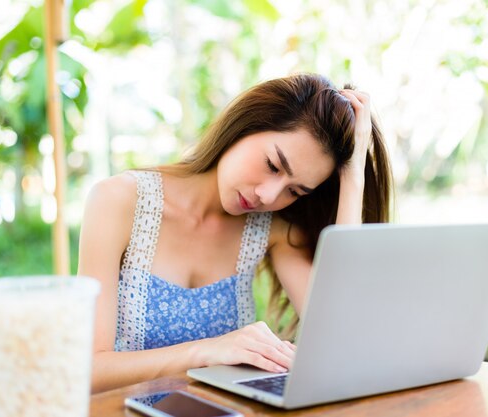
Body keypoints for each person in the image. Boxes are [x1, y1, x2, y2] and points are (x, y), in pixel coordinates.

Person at [77, 73, 392, 393]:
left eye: (295, 190)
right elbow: (88, 370)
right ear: (246, 124)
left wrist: (353, 177)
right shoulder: (118, 201)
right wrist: (203, 352)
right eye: (273, 165)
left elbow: (341, 336)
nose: (268, 196)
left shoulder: (272, 229)